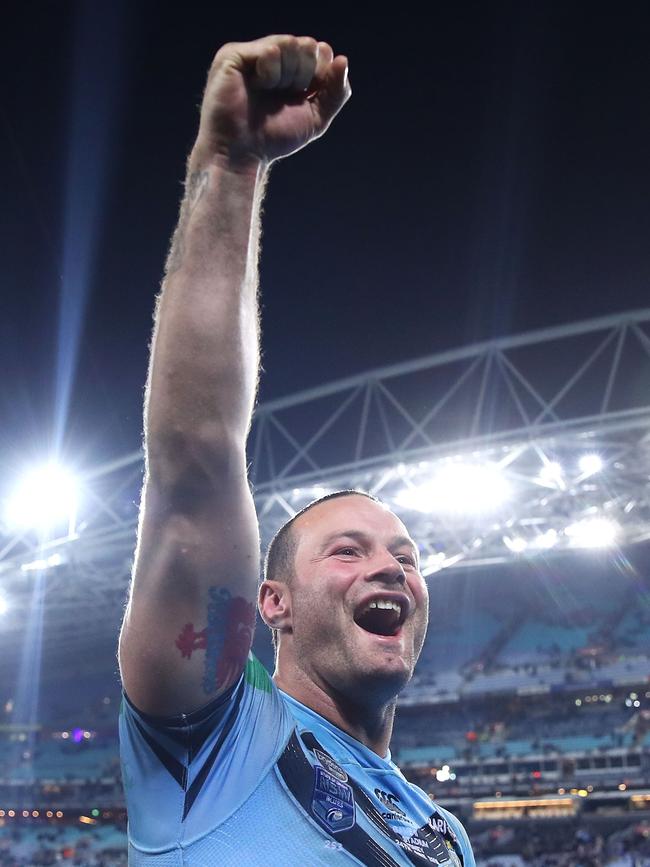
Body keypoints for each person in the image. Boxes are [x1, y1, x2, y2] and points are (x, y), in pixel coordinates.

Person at [118, 34, 475, 866]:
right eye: (348, 550)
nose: (391, 568)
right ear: (269, 602)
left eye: (407, 556)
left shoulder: (445, 836)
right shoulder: (214, 741)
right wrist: (232, 166)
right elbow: (195, 455)